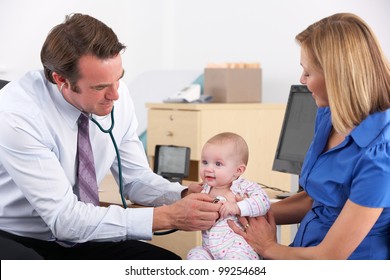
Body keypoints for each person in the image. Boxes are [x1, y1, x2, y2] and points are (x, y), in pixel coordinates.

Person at [0, 13, 220, 260]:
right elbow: (64, 219)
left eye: (118, 79)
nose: (115, 95)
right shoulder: (17, 115)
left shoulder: (116, 94)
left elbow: (135, 179)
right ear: (60, 79)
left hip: (82, 233)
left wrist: (181, 195)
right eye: (100, 87)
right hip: (18, 234)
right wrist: (168, 216)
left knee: (165, 264)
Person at [229, 13, 390, 260]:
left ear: (338, 78)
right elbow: (316, 199)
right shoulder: (328, 116)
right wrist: (238, 209)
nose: (301, 80)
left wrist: (268, 247)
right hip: (298, 253)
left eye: (308, 72)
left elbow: (329, 258)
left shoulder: (380, 154)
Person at [187, 132, 270, 260]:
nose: (208, 169)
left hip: (239, 248)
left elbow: (263, 202)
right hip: (210, 250)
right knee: (195, 254)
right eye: (205, 162)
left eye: (218, 164)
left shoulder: (243, 187)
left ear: (238, 170)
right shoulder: (204, 189)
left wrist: (237, 207)